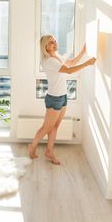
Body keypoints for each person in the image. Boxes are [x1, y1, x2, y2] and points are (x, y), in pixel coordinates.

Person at [28, 35, 96, 165]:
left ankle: (49, 151)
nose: (54, 43)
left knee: (55, 126)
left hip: (63, 96)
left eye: (55, 41)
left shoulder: (57, 57)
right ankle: (32, 146)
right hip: (54, 98)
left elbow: (70, 63)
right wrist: (87, 63)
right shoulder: (49, 61)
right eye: (50, 42)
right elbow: (69, 71)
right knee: (46, 127)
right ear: (45, 47)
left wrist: (83, 52)